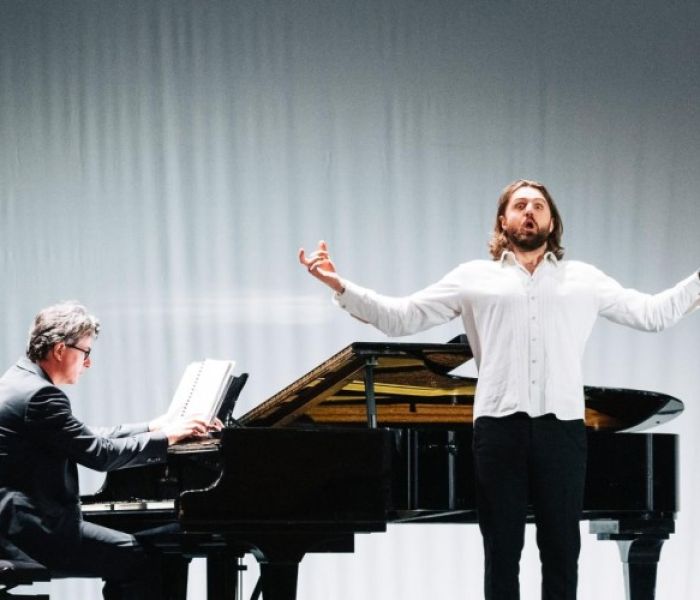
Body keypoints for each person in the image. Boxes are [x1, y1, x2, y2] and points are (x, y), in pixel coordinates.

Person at [298, 179, 700, 600]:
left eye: (539, 206)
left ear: (552, 221)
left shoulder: (585, 279)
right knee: (502, 554)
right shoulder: (473, 278)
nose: (530, 212)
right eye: (520, 205)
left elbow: (654, 314)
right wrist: (339, 286)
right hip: (498, 430)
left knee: (562, 554)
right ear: (502, 220)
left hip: (561, 430)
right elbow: (402, 317)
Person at [0, 301, 219, 600]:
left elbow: (88, 436)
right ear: (61, 349)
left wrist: (156, 426)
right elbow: (100, 454)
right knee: (141, 559)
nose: (88, 363)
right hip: (34, 534)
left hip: (18, 525)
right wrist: (167, 438)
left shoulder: (18, 382)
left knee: (136, 552)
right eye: (86, 352)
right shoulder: (40, 395)